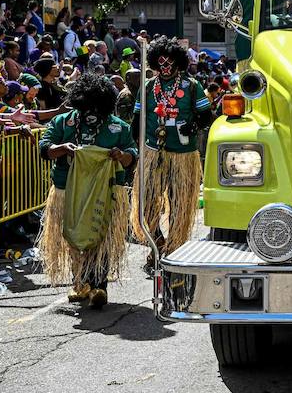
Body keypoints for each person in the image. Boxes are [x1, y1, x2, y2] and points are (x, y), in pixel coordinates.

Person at [37, 72, 137, 309]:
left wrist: (120, 155)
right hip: (67, 191)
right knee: (72, 236)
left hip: (108, 193)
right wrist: (62, 148)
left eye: (96, 107)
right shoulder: (63, 122)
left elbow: (132, 155)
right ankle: (80, 282)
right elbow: (45, 148)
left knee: (102, 237)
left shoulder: (118, 126)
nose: (91, 112)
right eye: (87, 106)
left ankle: (99, 285)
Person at [131, 36, 211, 257]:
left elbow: (206, 118)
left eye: (170, 64)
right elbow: (136, 121)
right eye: (161, 64)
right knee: (147, 202)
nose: (166, 68)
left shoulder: (192, 86)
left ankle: (175, 247)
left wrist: (193, 126)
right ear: (155, 63)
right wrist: (135, 151)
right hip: (153, 153)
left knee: (179, 203)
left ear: (178, 63)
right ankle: (156, 241)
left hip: (183, 155)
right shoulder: (147, 87)